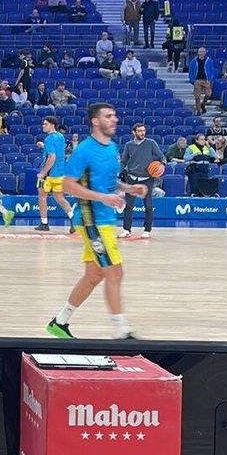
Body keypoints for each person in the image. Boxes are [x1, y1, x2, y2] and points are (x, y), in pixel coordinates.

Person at [47, 103, 146, 340]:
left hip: (104, 219)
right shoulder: (84, 150)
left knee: (94, 275)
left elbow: (109, 183)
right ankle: (122, 330)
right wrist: (104, 198)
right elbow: (67, 184)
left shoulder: (112, 147)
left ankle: (59, 322)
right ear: (95, 121)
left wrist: (129, 188)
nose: (114, 119)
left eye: (115, 115)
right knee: (114, 272)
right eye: (108, 116)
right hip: (91, 221)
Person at [119, 121, 164, 238]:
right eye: (139, 131)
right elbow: (124, 161)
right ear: (134, 132)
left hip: (146, 179)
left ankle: (147, 230)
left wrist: (162, 165)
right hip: (132, 178)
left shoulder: (151, 143)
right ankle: (126, 229)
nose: (142, 133)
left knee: (148, 205)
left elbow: (161, 156)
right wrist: (118, 172)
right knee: (128, 205)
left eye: (144, 131)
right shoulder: (129, 145)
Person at [36, 116, 74, 232]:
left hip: (49, 173)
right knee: (59, 197)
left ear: (52, 125)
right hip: (60, 172)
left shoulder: (48, 139)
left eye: (45, 124)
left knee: (42, 197)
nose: (43, 125)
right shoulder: (60, 136)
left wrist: (43, 173)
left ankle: (44, 223)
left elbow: (52, 157)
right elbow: (57, 150)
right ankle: (74, 220)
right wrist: (43, 146)